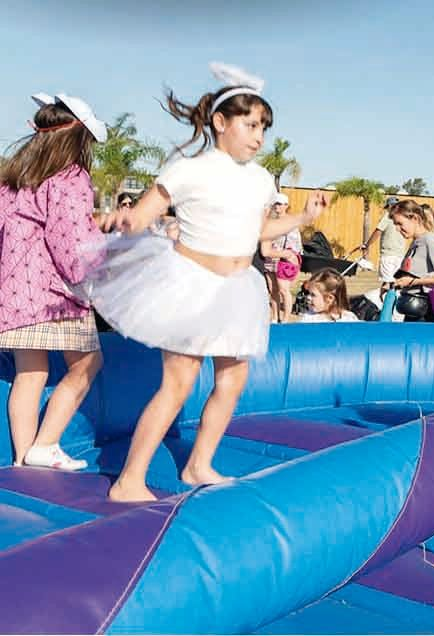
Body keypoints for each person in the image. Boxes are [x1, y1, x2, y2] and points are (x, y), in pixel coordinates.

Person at [82, 63, 327, 502]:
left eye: (264, 128)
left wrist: (304, 218)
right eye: (250, 125)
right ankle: (128, 480)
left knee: (232, 381)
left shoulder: (260, 178)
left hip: (238, 288)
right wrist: (122, 219)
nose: (258, 136)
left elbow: (259, 232)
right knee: (177, 383)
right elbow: (141, 217)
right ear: (220, 122)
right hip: (192, 284)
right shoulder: (188, 170)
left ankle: (198, 464)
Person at [0, 92, 108, 470]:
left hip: (14, 294)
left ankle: (20, 463)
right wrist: (96, 274)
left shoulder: (14, 178)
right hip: (53, 296)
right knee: (88, 364)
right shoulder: (70, 178)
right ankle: (45, 445)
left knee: (31, 374)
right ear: (78, 138)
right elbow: (72, 244)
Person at [390, 199, 434, 323]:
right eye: (395, 225)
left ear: (415, 219)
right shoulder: (416, 242)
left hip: (425, 313)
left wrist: (414, 282)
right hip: (411, 310)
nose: (397, 229)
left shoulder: (429, 241)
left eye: (400, 223)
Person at [260, 192, 303, 322]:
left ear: (286, 205)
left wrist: (292, 260)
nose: (276, 207)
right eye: (275, 204)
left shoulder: (290, 223)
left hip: (283, 261)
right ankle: (274, 317)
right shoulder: (270, 222)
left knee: (284, 289)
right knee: (273, 290)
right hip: (270, 260)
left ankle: (285, 319)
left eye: (279, 204)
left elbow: (295, 246)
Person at [360, 197, 408, 283]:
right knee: (397, 283)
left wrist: (367, 245)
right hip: (400, 255)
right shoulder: (403, 217)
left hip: (388, 255)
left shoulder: (388, 216)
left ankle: (386, 296)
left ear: (389, 206)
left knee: (386, 284)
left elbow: (378, 231)